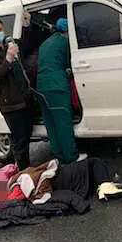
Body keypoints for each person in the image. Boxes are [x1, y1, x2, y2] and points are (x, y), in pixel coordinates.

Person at [0, 157, 122, 229]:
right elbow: (41, 200)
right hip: (56, 181)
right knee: (93, 163)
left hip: (55, 178)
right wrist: (79, 204)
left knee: (92, 166)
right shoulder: (11, 197)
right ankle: (105, 186)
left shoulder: (6, 190)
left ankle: (105, 184)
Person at [0, 13, 33, 170]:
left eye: (0, 29)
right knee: (19, 141)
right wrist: (7, 59)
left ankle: (27, 168)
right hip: (11, 105)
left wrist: (27, 26)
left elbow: (26, 45)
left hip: (24, 99)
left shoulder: (7, 45)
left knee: (27, 135)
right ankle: (24, 172)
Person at [36, 17, 85, 164]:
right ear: (67, 31)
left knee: (51, 123)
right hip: (56, 86)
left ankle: (59, 156)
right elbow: (69, 64)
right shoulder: (65, 43)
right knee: (63, 122)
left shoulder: (45, 43)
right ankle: (71, 157)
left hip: (41, 87)